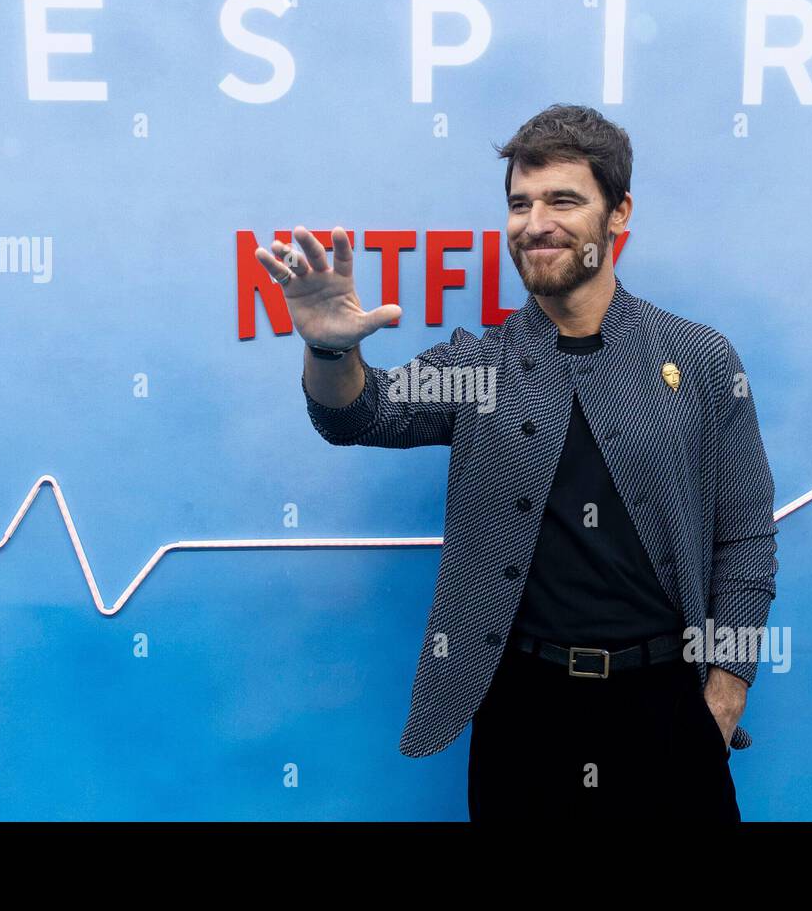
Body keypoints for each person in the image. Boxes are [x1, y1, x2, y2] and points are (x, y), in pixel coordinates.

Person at [255, 103, 779, 821]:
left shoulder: (700, 360)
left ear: (619, 213)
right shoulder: (479, 366)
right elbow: (360, 413)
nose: (536, 223)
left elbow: (746, 539)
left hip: (667, 707)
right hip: (523, 712)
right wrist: (329, 349)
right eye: (519, 204)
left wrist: (727, 690)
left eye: (563, 199)